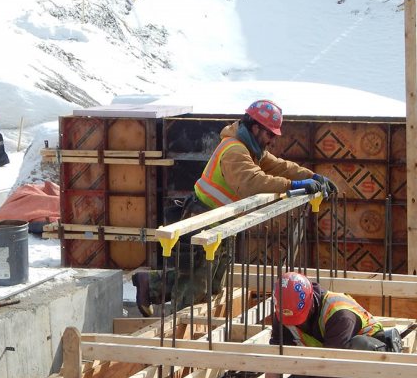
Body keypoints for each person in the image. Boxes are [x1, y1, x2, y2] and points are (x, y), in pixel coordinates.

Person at [132, 99, 338, 316]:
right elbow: (252, 182)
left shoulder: (251, 148)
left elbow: (279, 166)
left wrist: (311, 176)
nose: (272, 141)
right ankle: (177, 332)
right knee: (193, 291)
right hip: (202, 218)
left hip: (220, 220)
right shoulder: (235, 151)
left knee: (210, 284)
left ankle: (150, 283)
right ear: (256, 127)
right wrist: (293, 186)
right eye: (270, 135)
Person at [264, 271, 400, 378]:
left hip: (369, 354)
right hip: (326, 357)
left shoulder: (339, 314)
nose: (296, 324)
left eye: (300, 319)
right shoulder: (284, 314)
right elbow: (275, 358)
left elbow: (330, 364)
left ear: (311, 301)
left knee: (357, 346)